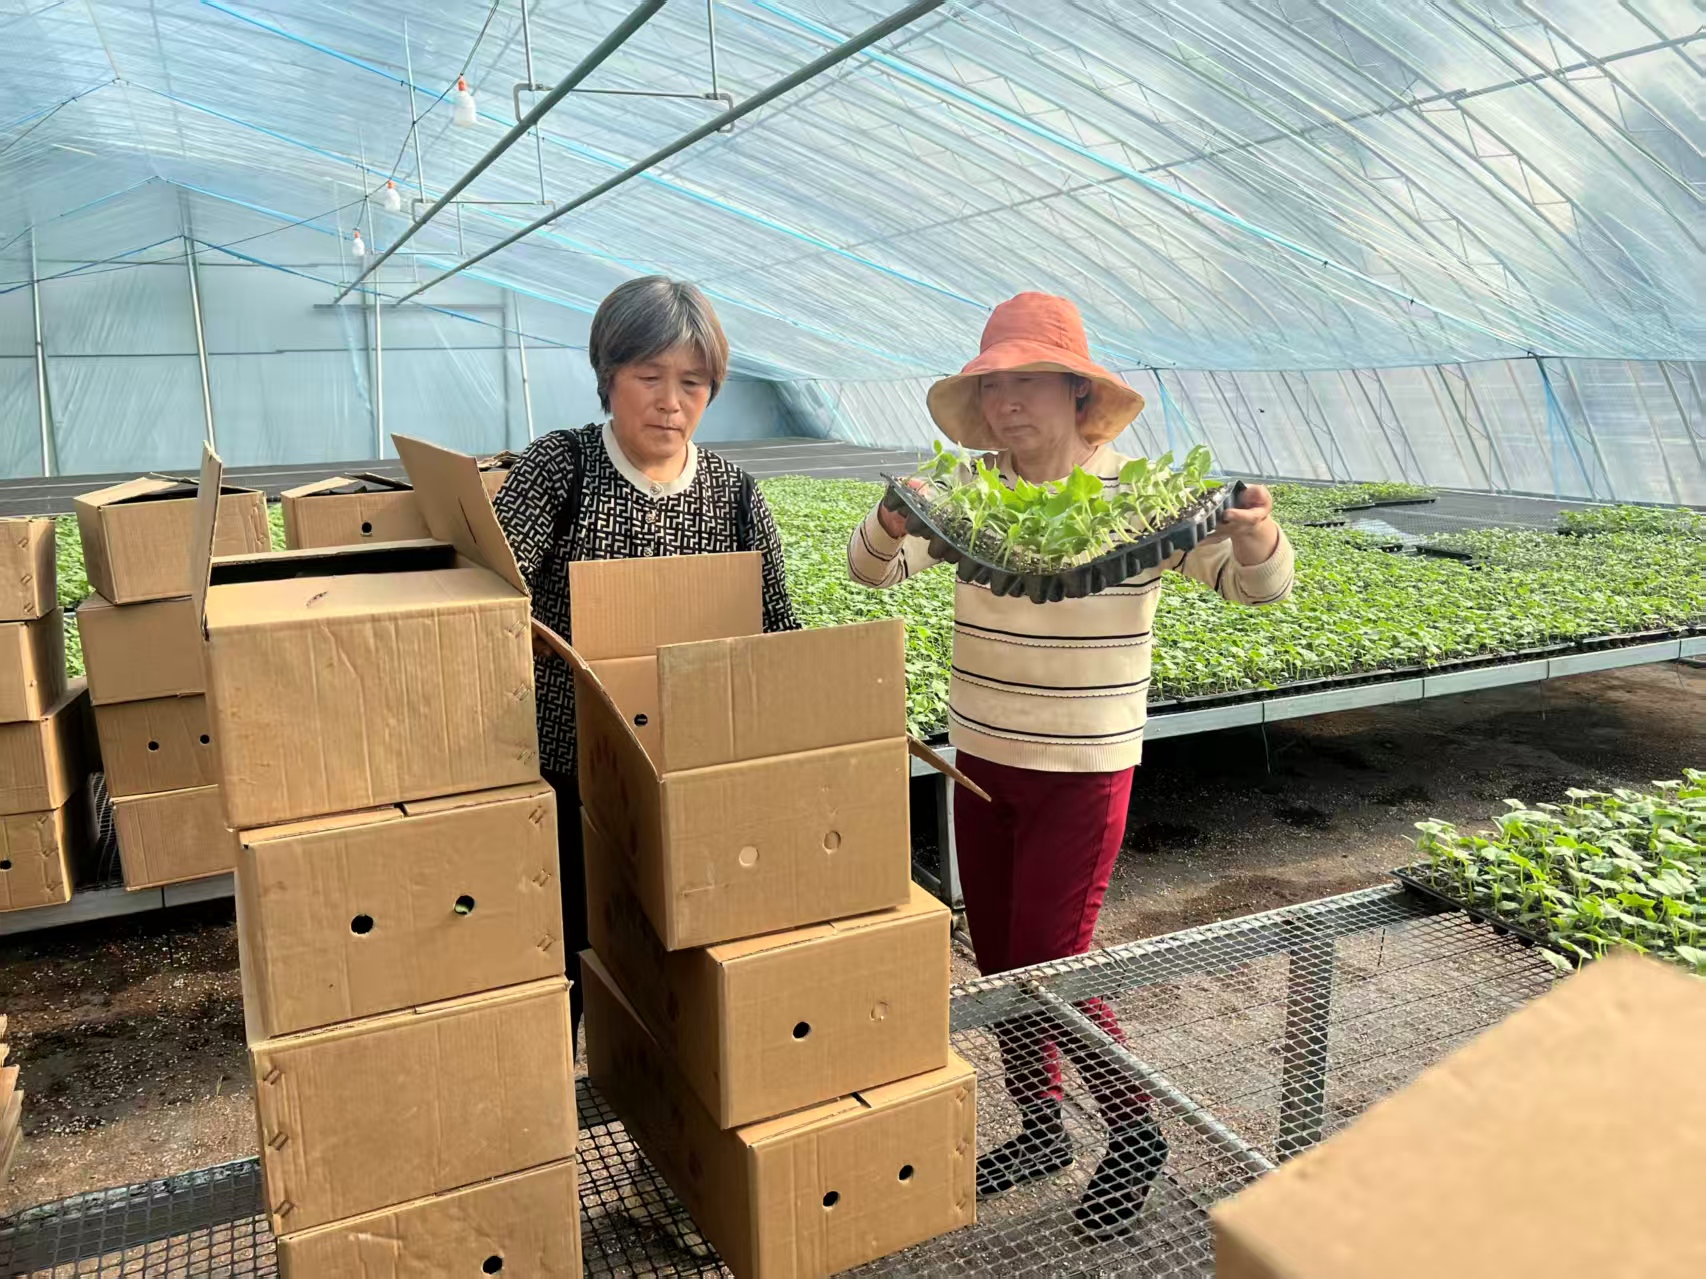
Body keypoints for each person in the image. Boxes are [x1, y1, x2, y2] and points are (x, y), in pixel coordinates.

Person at [847, 292, 1294, 1240]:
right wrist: (889, 518)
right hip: (981, 758)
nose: (1007, 402)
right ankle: (1043, 1127)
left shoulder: (1138, 497)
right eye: (992, 386)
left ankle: (1134, 1128)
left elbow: (1252, 586)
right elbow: (873, 570)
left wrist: (1257, 535)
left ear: (1079, 393)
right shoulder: (968, 495)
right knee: (1000, 954)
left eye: (1029, 382)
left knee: (1054, 959)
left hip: (1083, 768)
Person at [495, 276, 801, 1044]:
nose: (670, 402)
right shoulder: (559, 469)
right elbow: (486, 601)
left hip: (692, 776)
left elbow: (778, 633)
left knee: (683, 966)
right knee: (564, 958)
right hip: (571, 774)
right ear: (609, 376)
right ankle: (556, 1099)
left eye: (692, 383)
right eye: (649, 376)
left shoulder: (734, 496)